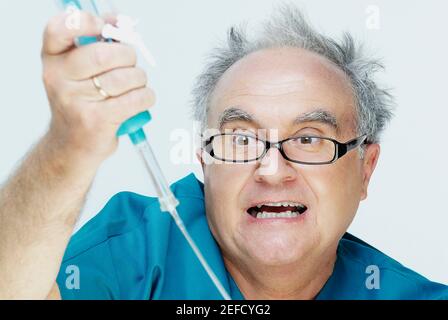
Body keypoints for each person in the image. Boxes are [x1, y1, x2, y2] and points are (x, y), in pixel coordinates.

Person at [0, 4, 447, 300]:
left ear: (365, 170)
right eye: (242, 139)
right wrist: (66, 150)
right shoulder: (135, 255)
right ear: (203, 160)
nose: (272, 170)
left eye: (309, 138)